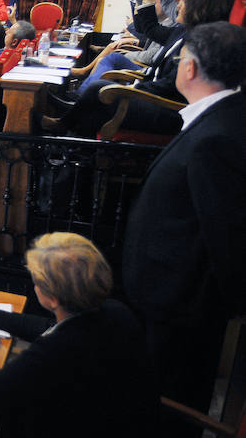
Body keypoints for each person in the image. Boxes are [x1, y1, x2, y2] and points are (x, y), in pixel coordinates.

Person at [123, 22, 246, 438]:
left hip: (179, 307)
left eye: (179, 59)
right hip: (170, 298)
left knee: (167, 411)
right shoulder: (220, 118)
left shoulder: (218, 137)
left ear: (190, 69)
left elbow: (225, 236)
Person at [0, 232, 157, 437]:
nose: (35, 286)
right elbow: (42, 326)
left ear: (53, 299)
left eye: (37, 282)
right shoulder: (115, 312)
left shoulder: (55, 352)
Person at [41, 0, 234, 137]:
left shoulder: (201, 43)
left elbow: (170, 87)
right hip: (154, 97)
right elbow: (147, 26)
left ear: (200, 2)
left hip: (167, 112)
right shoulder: (182, 31)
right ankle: (71, 148)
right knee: (95, 108)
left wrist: (132, 89)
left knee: (100, 89)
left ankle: (65, 126)